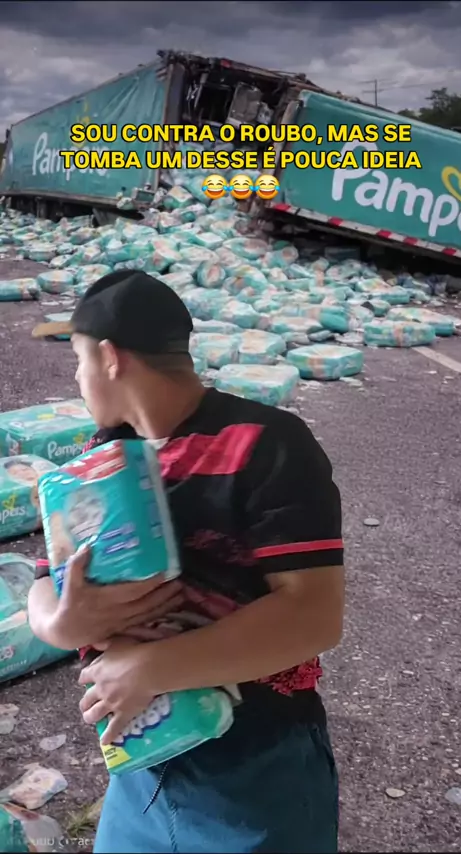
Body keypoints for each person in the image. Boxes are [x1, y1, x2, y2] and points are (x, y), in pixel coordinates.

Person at [28, 270, 345, 854]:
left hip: (256, 769)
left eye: (77, 361)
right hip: (140, 767)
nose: (76, 379)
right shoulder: (103, 455)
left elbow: (314, 616)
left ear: (110, 358)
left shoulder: (266, 443)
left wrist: (153, 667)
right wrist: (63, 623)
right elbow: (45, 582)